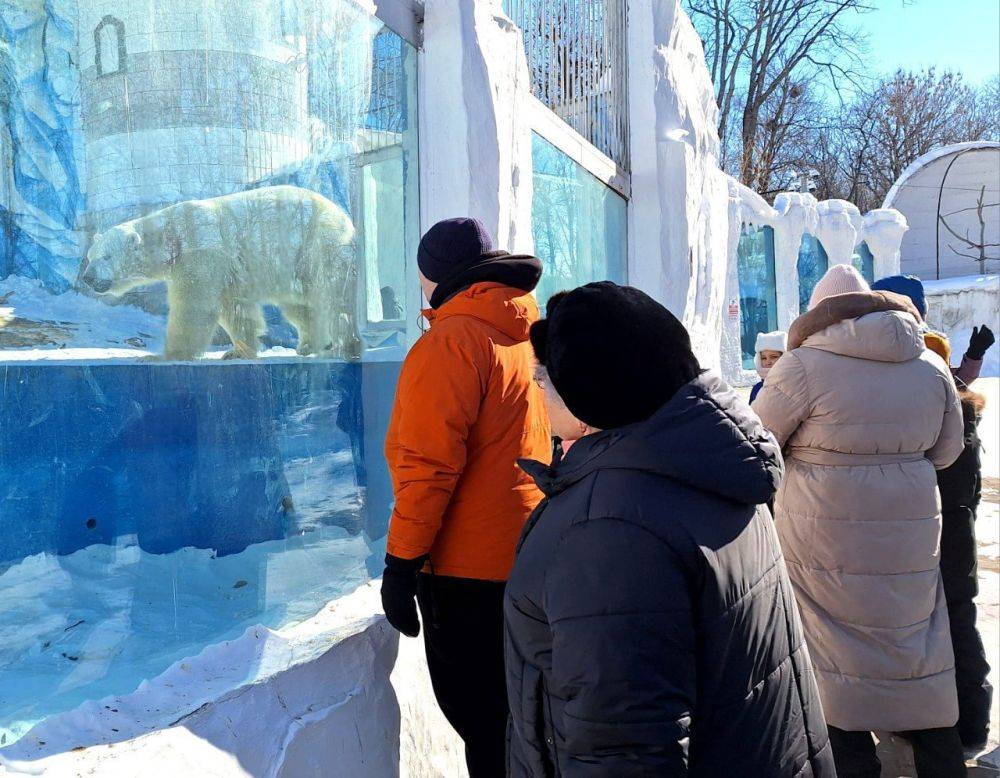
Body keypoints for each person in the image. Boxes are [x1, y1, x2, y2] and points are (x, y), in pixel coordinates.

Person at [505, 281, 835, 777]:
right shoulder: (708, 461)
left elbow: (623, 747)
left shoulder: (610, 528)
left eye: (544, 377)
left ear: (589, 391)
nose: (538, 389)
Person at [755, 264, 966, 778]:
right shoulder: (931, 366)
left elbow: (757, 447)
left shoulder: (802, 366)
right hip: (911, 535)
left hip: (822, 537)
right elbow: (947, 451)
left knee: (834, 662)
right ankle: (942, 763)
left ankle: (853, 765)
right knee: (914, 645)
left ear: (819, 314)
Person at [380, 217, 551, 778]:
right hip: (528, 555)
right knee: (522, 723)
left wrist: (401, 564)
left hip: (466, 574)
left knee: (483, 723)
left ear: (434, 278)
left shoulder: (451, 343)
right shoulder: (523, 334)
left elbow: (426, 470)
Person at [925, 333, 993, 755]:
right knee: (956, 627)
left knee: (954, 629)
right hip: (955, 543)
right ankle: (967, 723)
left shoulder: (946, 418)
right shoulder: (959, 411)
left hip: (944, 545)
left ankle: (968, 726)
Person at [872, 274, 995, 385]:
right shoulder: (933, 344)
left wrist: (974, 354)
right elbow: (954, 388)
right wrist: (974, 355)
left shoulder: (860, 343)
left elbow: (952, 385)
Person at [750, 330, 786, 403]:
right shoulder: (757, 388)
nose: (768, 362)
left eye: (773, 357)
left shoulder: (793, 385)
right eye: (763, 358)